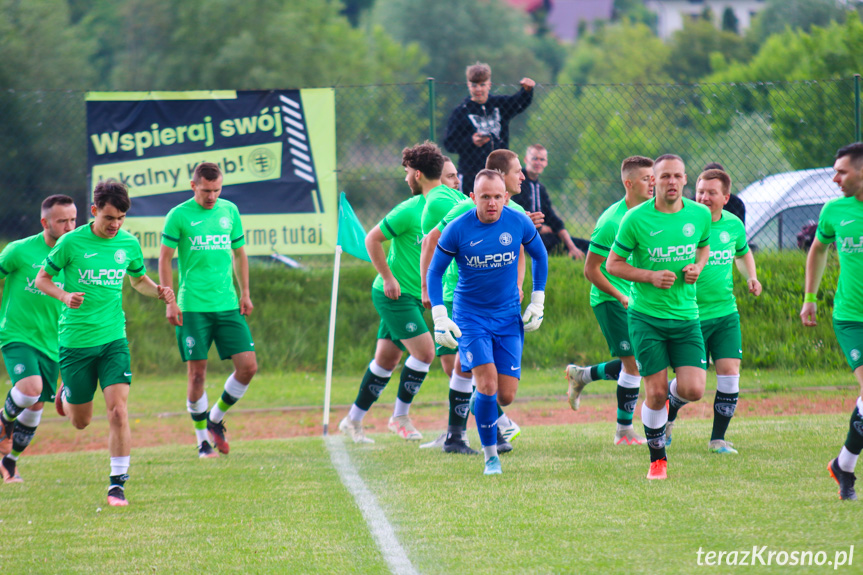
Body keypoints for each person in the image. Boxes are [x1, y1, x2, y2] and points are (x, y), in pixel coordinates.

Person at [35, 180, 175, 506]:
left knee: (118, 412)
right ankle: (68, 394)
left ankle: (117, 484)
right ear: (95, 211)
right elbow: (43, 279)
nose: (115, 225)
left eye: (122, 218)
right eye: (109, 217)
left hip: (114, 339)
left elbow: (137, 279)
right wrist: (64, 294)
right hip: (75, 343)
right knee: (81, 421)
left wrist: (157, 290)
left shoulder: (128, 243)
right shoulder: (70, 243)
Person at [427, 169, 549, 475]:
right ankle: (490, 455)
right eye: (485, 197)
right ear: (473, 198)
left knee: (505, 394)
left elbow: (540, 255)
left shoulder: (518, 222)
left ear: (506, 197)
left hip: (508, 316)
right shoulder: (457, 229)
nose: (492, 203)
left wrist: (537, 300)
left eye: (497, 196)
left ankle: (484, 424)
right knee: (487, 383)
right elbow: (434, 272)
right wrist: (440, 315)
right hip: (471, 317)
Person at [606, 154, 712, 480]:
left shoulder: (700, 214)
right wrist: (649, 276)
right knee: (653, 392)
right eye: (664, 176)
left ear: (685, 179)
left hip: (686, 316)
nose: (672, 182)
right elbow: (613, 265)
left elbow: (703, 247)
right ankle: (658, 460)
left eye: (678, 176)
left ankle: (670, 410)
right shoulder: (636, 219)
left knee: (694, 389)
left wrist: (698, 266)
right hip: (646, 317)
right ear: (654, 181)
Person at [339, 142, 439, 443]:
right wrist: (387, 277)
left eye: (407, 172)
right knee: (425, 353)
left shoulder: (448, 205)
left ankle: (352, 421)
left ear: (418, 174)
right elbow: (372, 240)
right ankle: (400, 417)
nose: (406, 178)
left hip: (414, 298)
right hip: (394, 295)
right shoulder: (409, 210)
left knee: (385, 361)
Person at [158, 162, 257, 458]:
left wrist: (245, 293)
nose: (212, 196)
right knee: (197, 376)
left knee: (248, 367)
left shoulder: (229, 211)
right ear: (193, 186)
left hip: (227, 305)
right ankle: (202, 441)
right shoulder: (178, 215)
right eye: (206, 190)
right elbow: (164, 260)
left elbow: (239, 254)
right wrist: (170, 301)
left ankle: (214, 418)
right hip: (193, 308)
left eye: (217, 190)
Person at [666, 169, 762, 454]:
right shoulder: (685, 221)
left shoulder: (733, 224)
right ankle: (667, 418)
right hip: (690, 314)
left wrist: (750, 277)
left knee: (730, 373)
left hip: (725, 313)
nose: (704, 197)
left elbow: (742, 252)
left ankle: (717, 439)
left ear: (725, 197)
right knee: (689, 387)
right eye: (700, 191)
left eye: (711, 193)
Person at [567, 156, 655, 446]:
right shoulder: (611, 221)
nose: (653, 182)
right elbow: (590, 270)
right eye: (646, 178)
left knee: (643, 363)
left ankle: (583, 375)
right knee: (634, 366)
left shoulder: (652, 216)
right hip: (611, 299)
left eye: (654, 177)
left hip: (639, 298)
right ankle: (624, 431)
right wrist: (620, 295)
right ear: (629, 183)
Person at [800, 142, 863, 501]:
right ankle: (844, 469)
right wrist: (810, 298)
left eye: (841, 171)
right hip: (852, 318)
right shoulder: (834, 211)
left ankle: (843, 465)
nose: (834, 177)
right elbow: (818, 249)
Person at [0, 195, 77, 483]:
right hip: (17, 334)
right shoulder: (19, 251)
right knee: (30, 390)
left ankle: (10, 462)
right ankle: (3, 421)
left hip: (53, 342)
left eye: (73, 219)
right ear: (45, 222)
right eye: (62, 221)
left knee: (34, 407)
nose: (70, 226)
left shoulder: (75, 255)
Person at [443, 62, 534, 196]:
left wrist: (527, 90)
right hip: (471, 173)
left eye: (482, 85)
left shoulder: (499, 105)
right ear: (468, 85)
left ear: (489, 85)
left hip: (499, 172)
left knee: (497, 208)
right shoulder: (461, 112)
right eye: (474, 85)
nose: (478, 89)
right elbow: (449, 143)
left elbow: (519, 102)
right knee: (472, 209)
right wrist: (471, 141)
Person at [510, 145, 588, 259]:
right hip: (522, 238)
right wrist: (541, 229)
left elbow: (551, 217)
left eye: (542, 159)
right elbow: (517, 215)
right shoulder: (517, 184)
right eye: (534, 158)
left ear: (546, 163)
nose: (538, 162)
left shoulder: (540, 188)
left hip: (542, 235)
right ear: (526, 160)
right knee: (556, 244)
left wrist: (571, 245)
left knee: (587, 245)